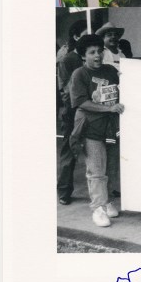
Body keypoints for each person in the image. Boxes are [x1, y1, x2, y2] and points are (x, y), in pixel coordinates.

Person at [69, 34, 124, 228]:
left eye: (99, 51)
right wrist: (109, 108)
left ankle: (108, 201)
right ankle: (98, 208)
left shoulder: (110, 70)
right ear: (83, 55)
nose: (97, 55)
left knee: (111, 168)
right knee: (96, 170)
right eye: (92, 52)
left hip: (112, 128)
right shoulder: (79, 74)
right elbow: (81, 102)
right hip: (90, 128)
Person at [56, 18, 87, 205]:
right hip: (72, 111)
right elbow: (65, 90)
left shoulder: (89, 57)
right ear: (76, 36)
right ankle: (63, 191)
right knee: (69, 151)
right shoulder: (69, 59)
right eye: (84, 36)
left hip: (88, 109)